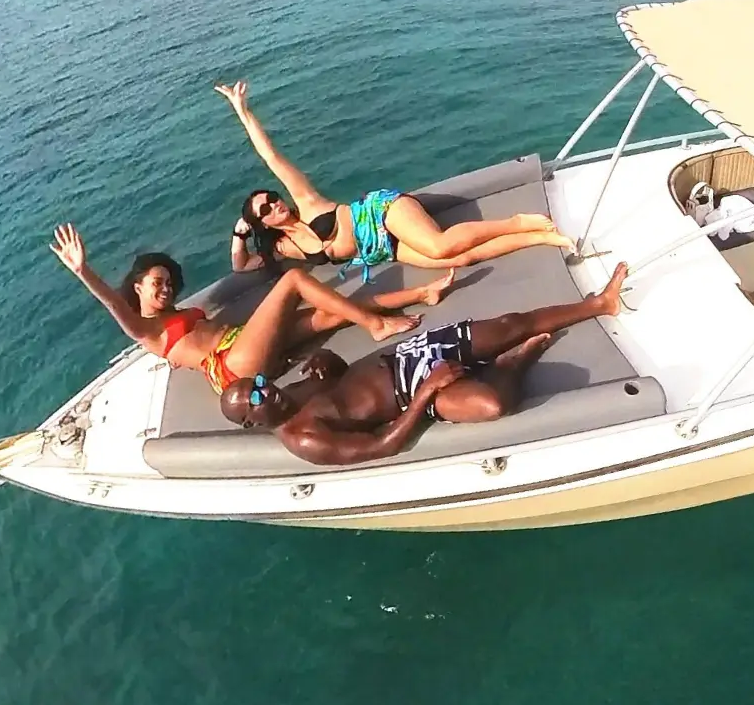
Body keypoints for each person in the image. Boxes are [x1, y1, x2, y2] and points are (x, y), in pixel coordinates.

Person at [219, 264, 629, 466]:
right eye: (255, 397)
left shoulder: (288, 393)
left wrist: (331, 361)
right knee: (492, 405)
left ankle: (599, 303)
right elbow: (382, 445)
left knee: (511, 324)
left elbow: (347, 390)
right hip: (412, 393)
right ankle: (515, 362)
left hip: (404, 355)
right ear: (251, 422)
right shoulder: (304, 438)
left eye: (259, 382)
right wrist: (427, 391)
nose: (264, 389)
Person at [216, 81, 575, 276]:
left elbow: (271, 156)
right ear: (262, 223)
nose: (275, 204)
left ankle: (517, 221)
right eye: (266, 209)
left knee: (440, 246)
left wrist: (242, 111)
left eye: (272, 198)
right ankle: (538, 237)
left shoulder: (306, 202)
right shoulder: (283, 248)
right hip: (383, 250)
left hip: (382, 212)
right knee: (458, 260)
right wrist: (238, 234)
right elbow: (241, 266)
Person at [50, 224, 448, 393]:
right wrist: (84, 271)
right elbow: (112, 303)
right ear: (137, 287)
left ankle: (422, 293)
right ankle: (376, 326)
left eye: (169, 283)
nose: (166, 289)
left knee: (330, 312)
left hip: (243, 344)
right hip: (232, 366)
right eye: (157, 283)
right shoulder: (146, 329)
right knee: (293, 281)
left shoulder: (173, 313)